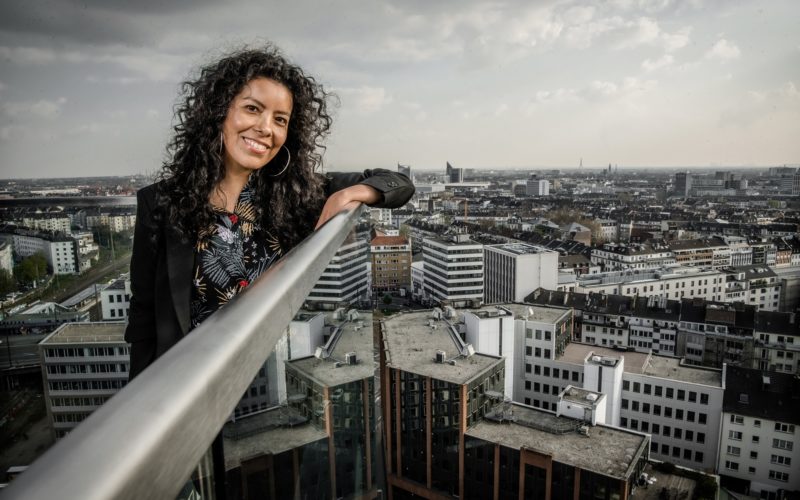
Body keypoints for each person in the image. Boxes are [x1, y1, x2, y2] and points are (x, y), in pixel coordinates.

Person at [125, 45, 414, 379]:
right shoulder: (161, 202)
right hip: (184, 381)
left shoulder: (293, 195)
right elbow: (144, 315)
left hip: (265, 375)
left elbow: (400, 184)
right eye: (252, 109)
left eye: (280, 119)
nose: (266, 128)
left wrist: (352, 193)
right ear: (218, 112)